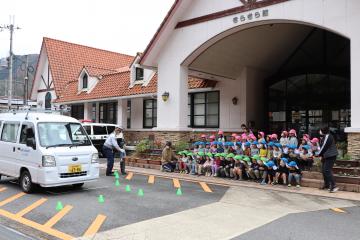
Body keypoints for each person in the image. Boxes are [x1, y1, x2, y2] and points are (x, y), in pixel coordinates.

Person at [317, 126, 339, 193]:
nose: (319, 131)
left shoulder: (328, 136)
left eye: (320, 130)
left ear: (324, 131)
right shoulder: (324, 136)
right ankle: (327, 185)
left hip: (331, 156)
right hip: (326, 156)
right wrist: (321, 155)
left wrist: (318, 154)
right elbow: (321, 146)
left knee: (327, 170)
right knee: (324, 170)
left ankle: (334, 186)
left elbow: (324, 147)